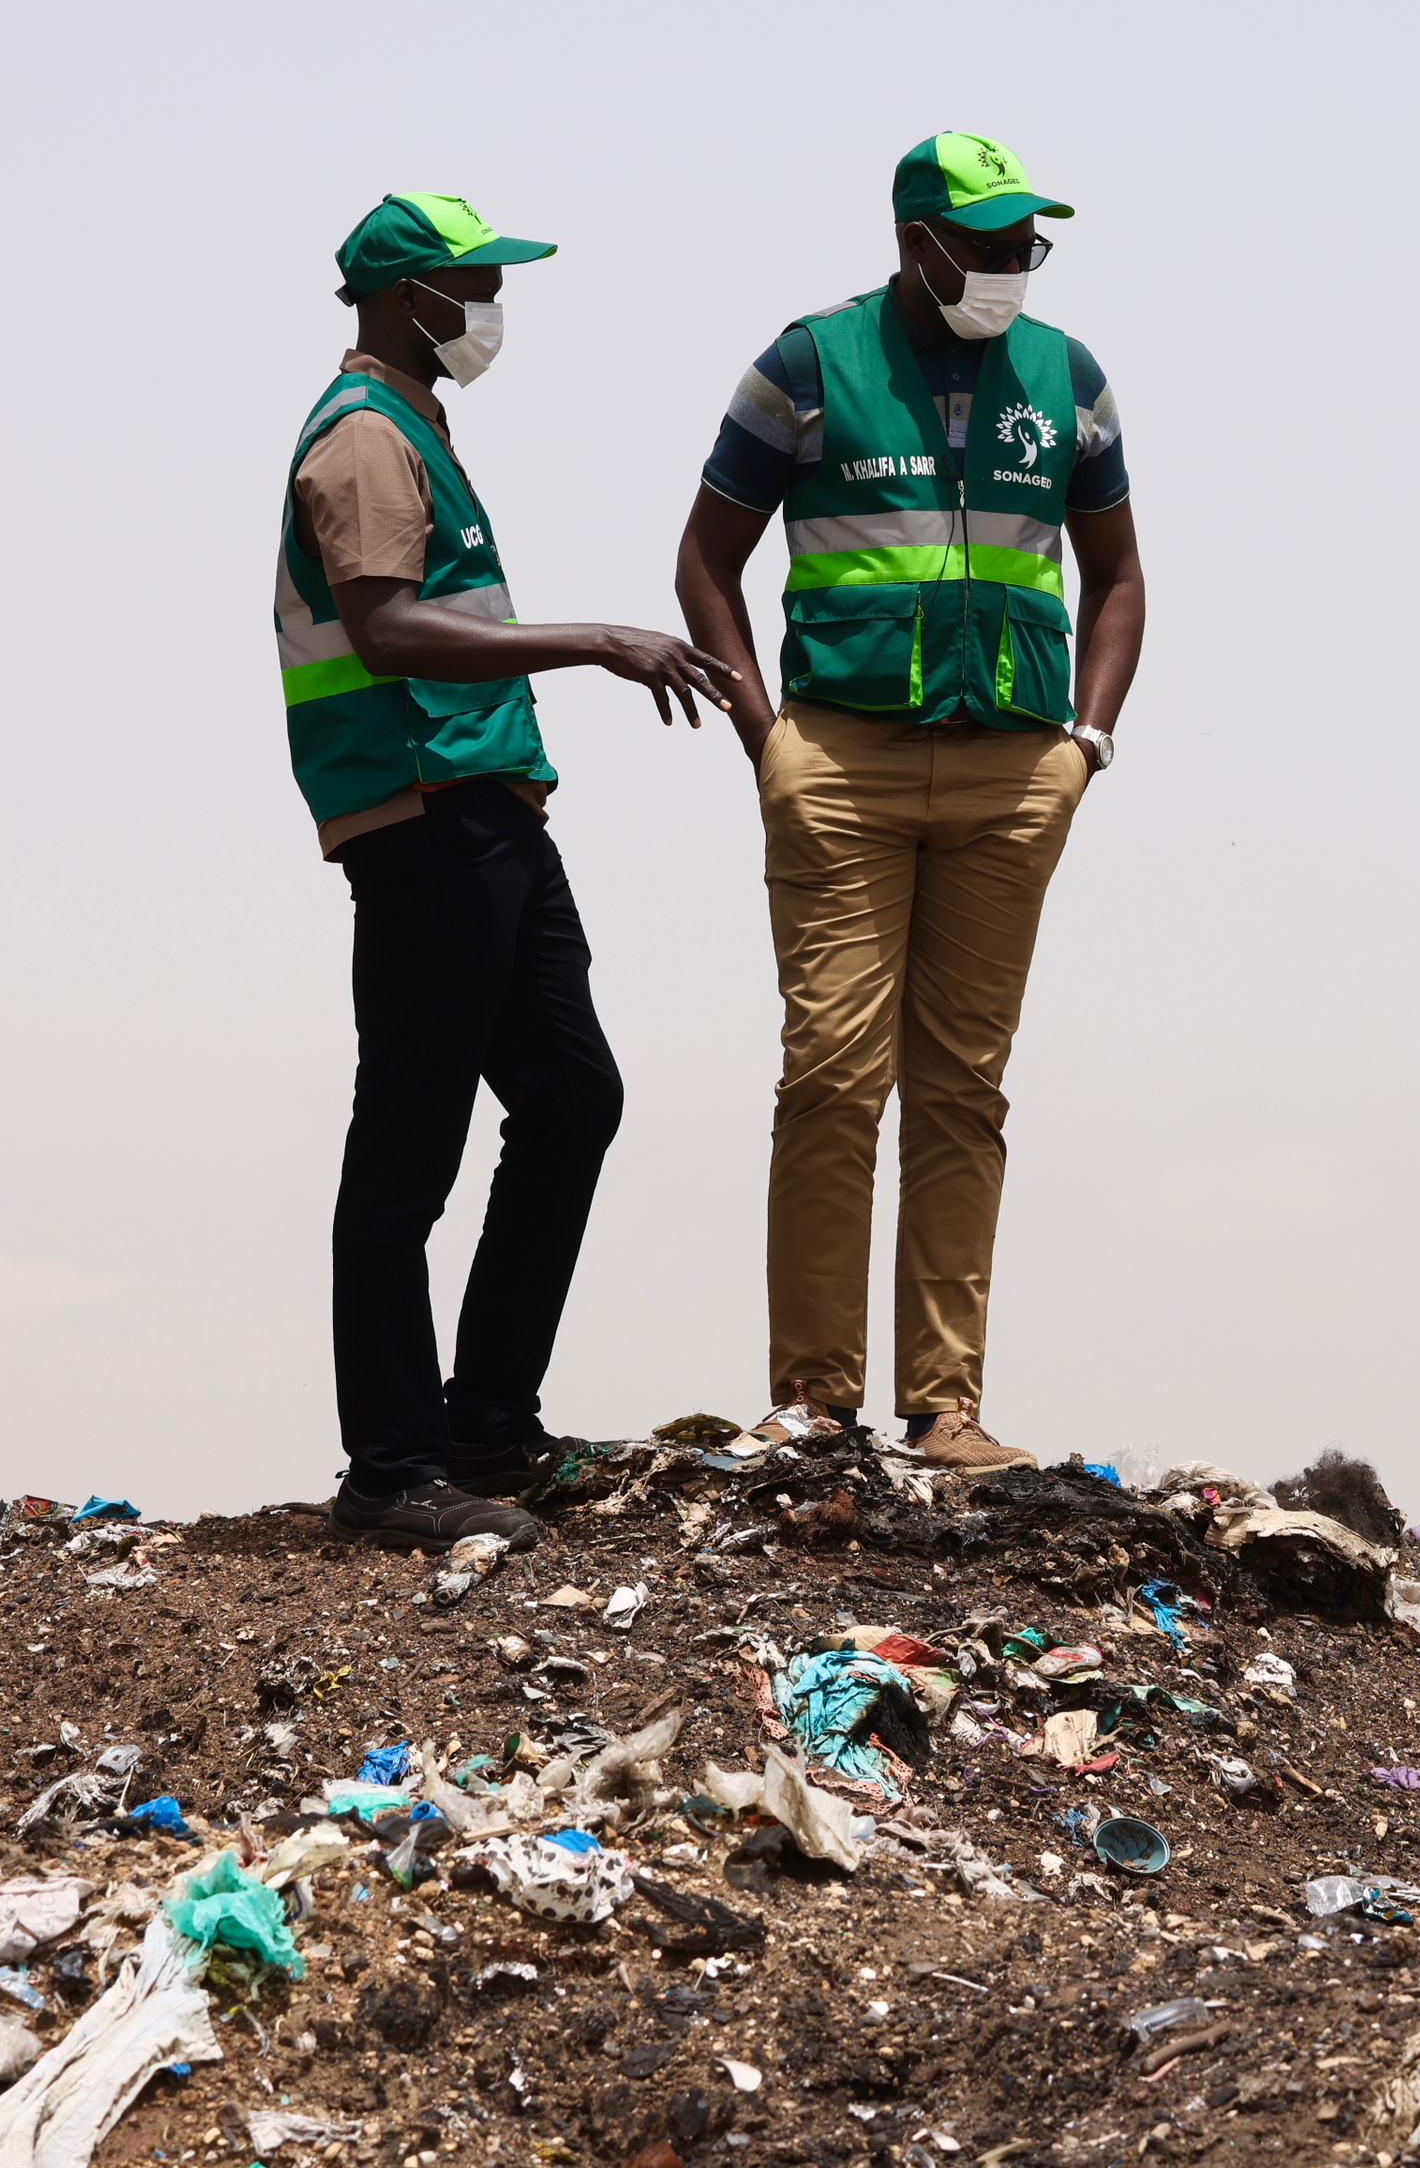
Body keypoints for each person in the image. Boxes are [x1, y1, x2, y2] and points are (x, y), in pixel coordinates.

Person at [677, 133, 1146, 1471]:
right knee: (833, 1075)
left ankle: (946, 1409)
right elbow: (706, 561)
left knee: (963, 1092)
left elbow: (1119, 578)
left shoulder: (1070, 380)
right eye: (989, 242)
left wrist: (1086, 746)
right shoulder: (808, 366)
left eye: (1025, 245)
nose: (1011, 266)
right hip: (842, 762)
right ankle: (817, 1401)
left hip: (1013, 776)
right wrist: (768, 739)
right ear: (916, 241)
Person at [280, 193, 738, 1552]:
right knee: (406, 1147)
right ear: (403, 295)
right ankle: (392, 1468)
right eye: (471, 285)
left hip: (489, 815)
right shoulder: (364, 434)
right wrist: (599, 640)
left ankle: (487, 1421)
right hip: (421, 817)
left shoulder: (416, 422)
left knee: (571, 1094)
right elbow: (389, 625)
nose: (489, 311)